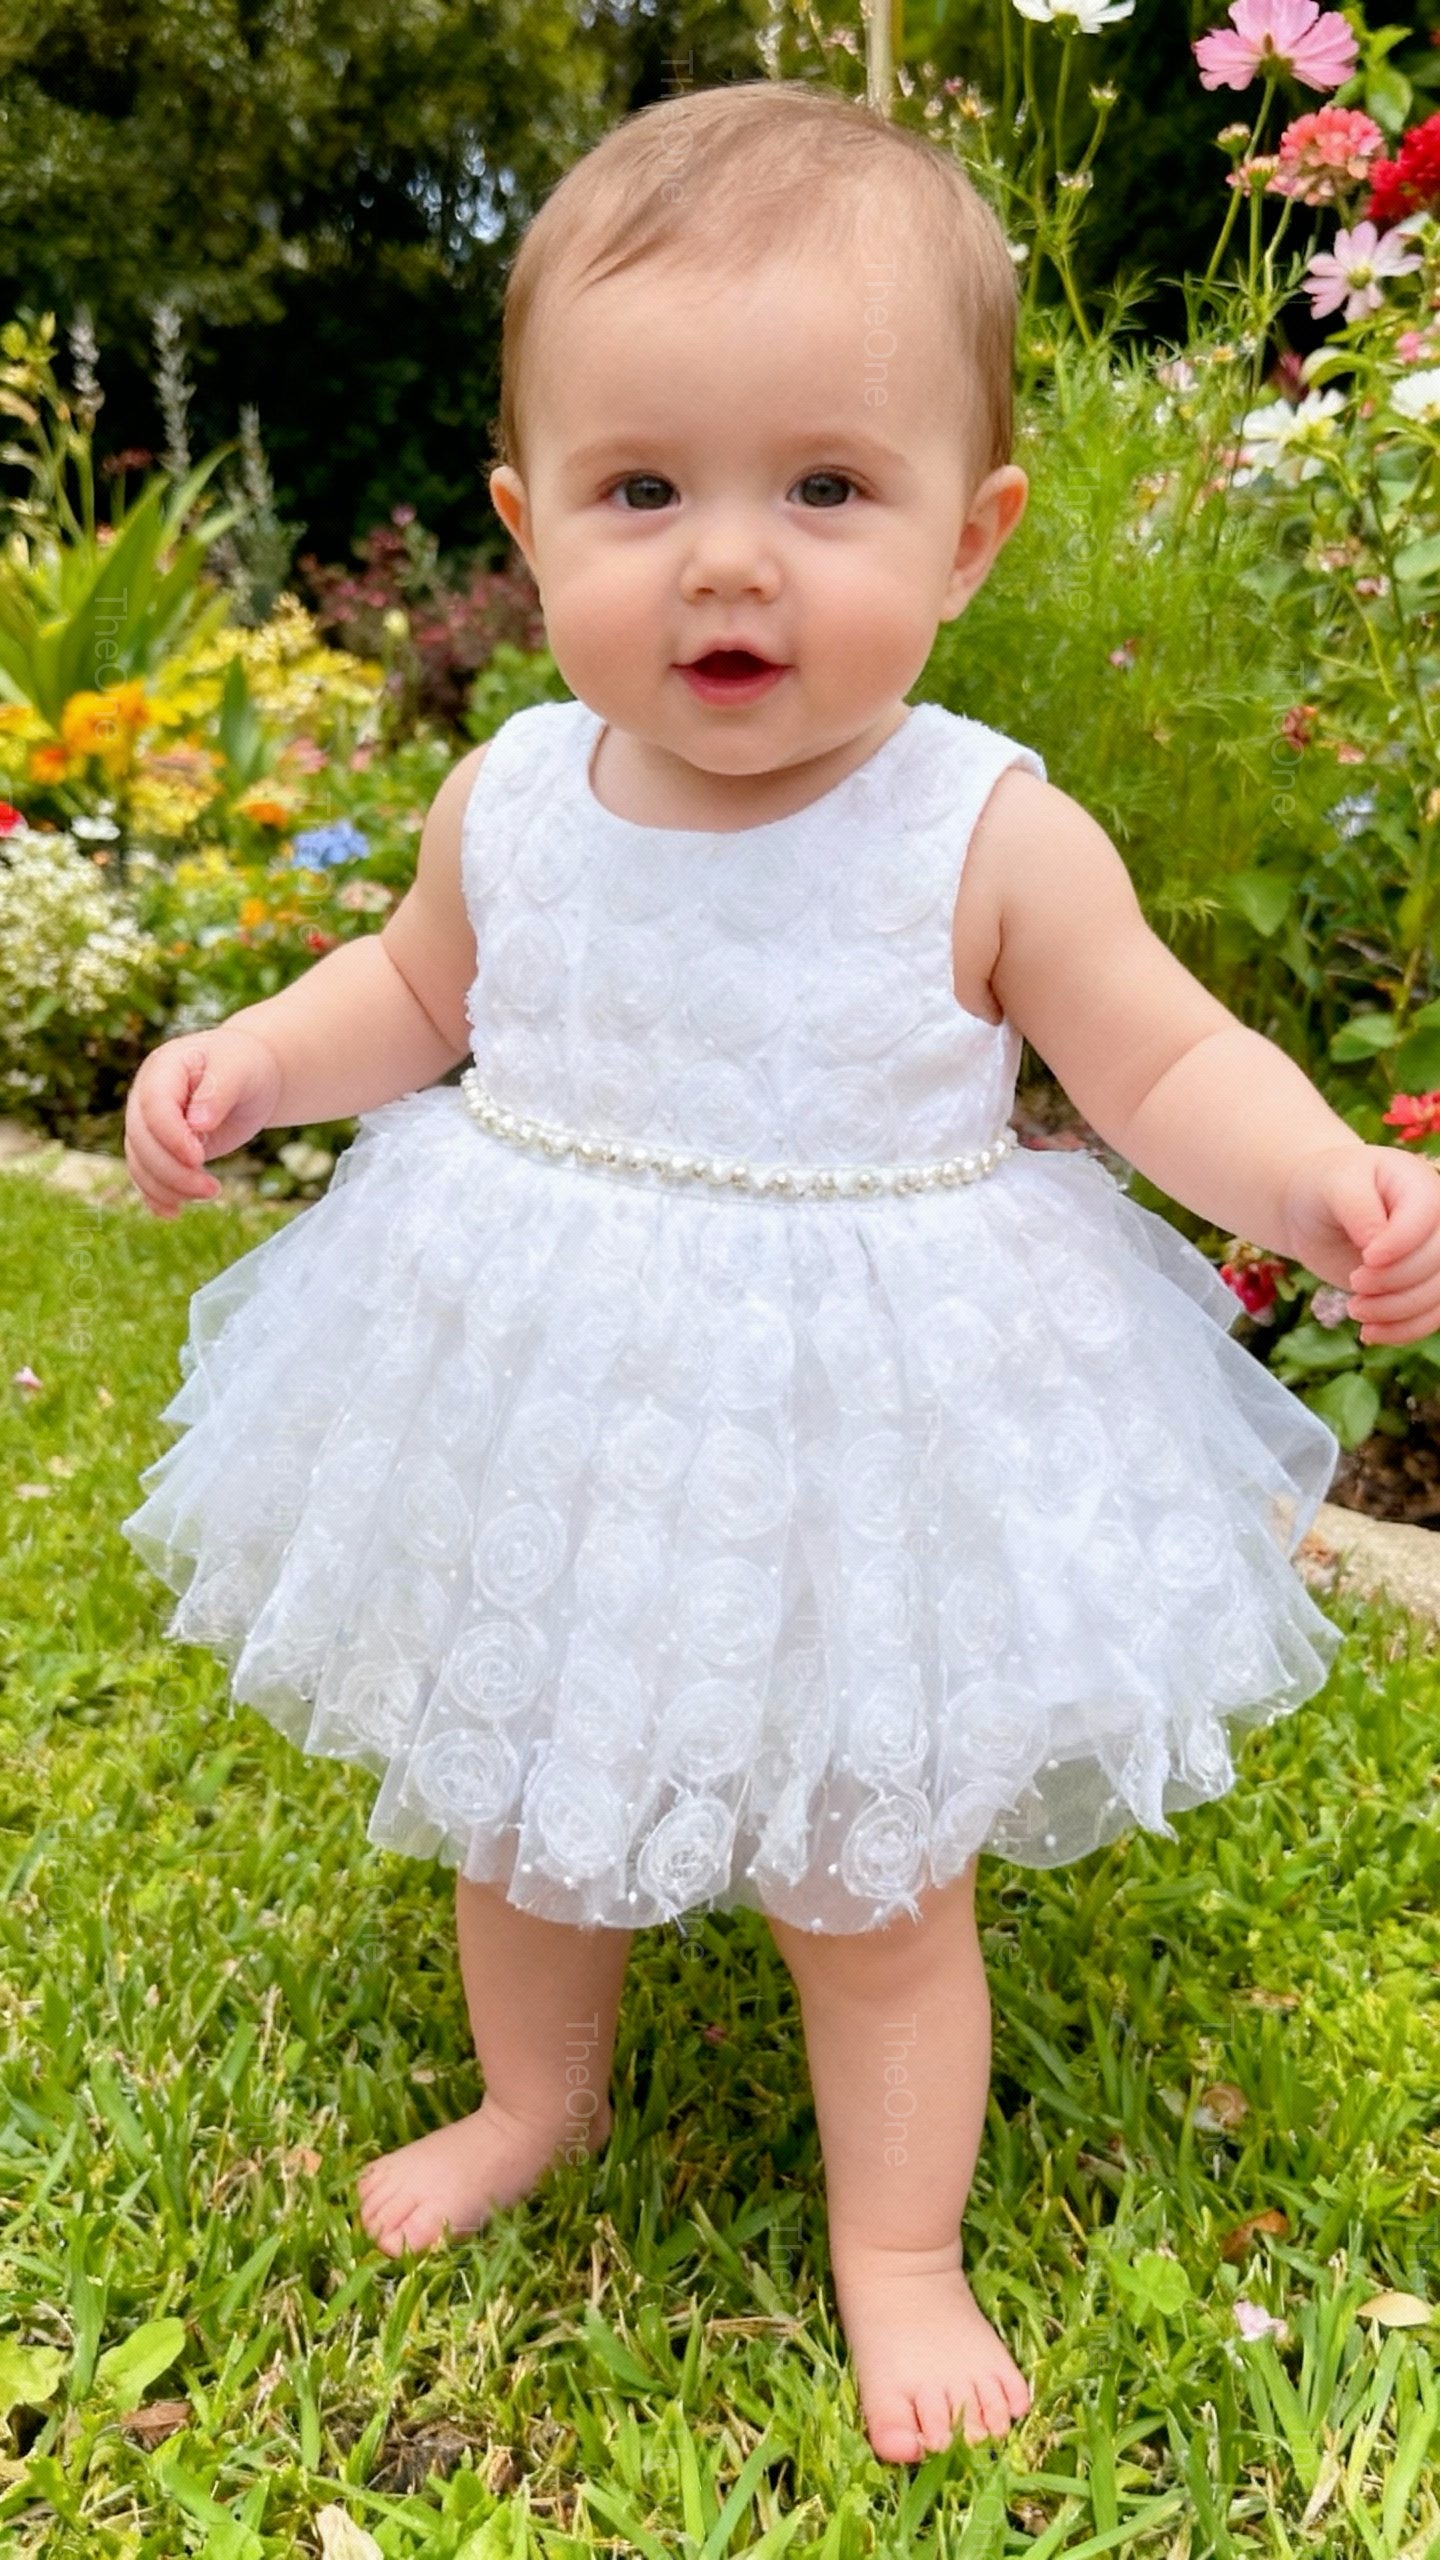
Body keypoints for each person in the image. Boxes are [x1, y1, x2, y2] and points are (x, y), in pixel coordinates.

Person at [120, 78, 1440, 2466]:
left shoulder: (983, 828)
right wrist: (250, 1062)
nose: (728, 563)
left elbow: (1161, 1056)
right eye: (643, 490)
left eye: (826, 488)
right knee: (526, 1787)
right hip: (552, 1397)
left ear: (972, 533)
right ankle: (536, 2091)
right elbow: (412, 990)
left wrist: (1324, 1175)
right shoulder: (515, 797)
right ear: (528, 525)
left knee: (869, 1860)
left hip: (854, 1439)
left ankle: (899, 2246)